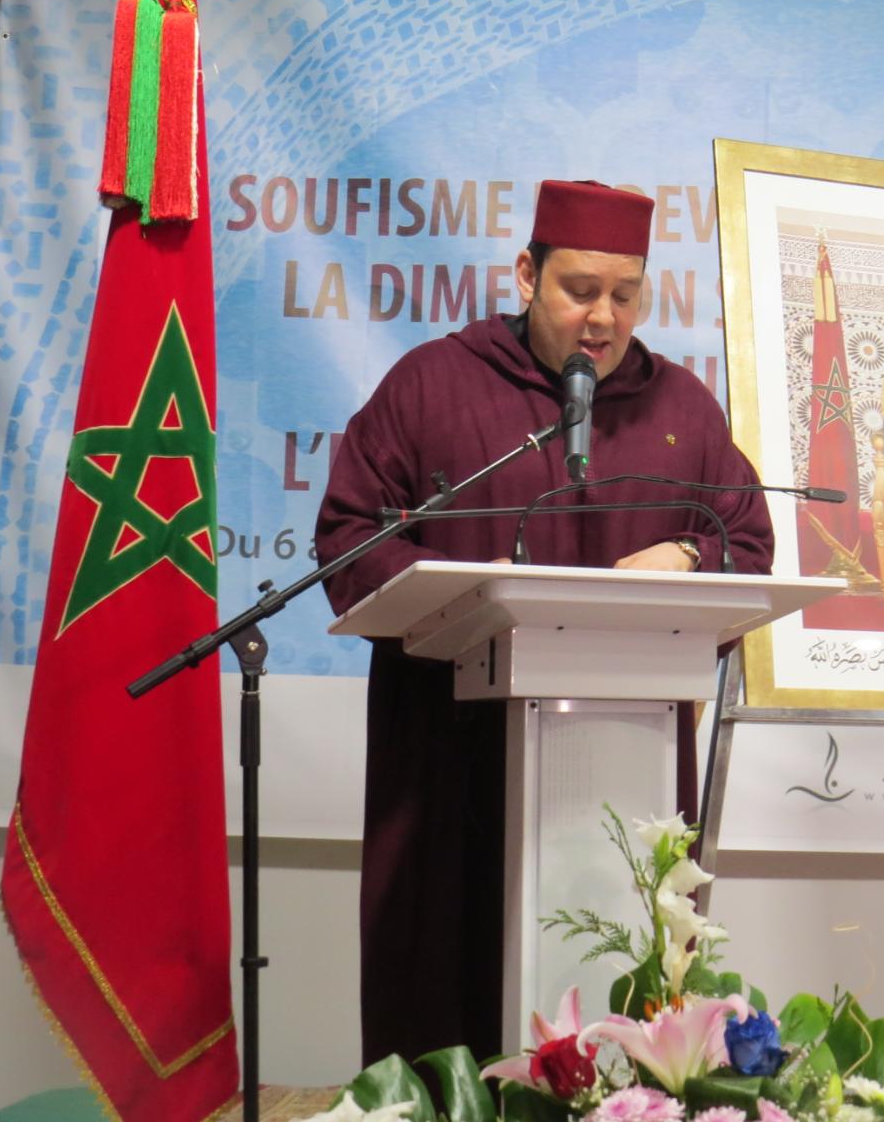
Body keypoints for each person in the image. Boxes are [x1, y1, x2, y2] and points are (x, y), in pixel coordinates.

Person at [315, 179, 774, 1067]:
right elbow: (348, 534)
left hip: (624, 770)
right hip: (447, 757)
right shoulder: (434, 385)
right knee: (444, 996)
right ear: (527, 275)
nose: (602, 318)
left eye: (625, 295)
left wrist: (689, 555)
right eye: (580, 290)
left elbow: (746, 542)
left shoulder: (682, 409)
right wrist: (460, 599)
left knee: (616, 1007)